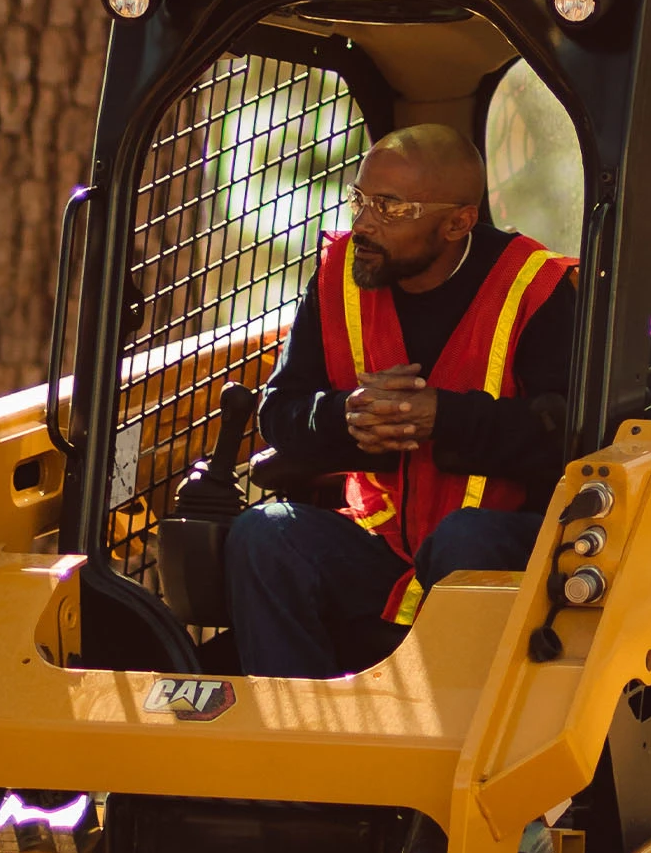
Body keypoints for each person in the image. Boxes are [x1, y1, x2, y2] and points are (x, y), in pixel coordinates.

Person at [226, 124, 577, 679]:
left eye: (389, 207)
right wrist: (346, 417)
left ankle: (457, 736)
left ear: (458, 222)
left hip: (510, 546)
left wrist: (446, 417)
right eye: (360, 198)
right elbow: (279, 409)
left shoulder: (537, 287)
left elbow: (573, 436)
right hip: (383, 543)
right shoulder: (336, 275)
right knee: (264, 533)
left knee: (464, 537)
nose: (362, 222)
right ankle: (291, 740)